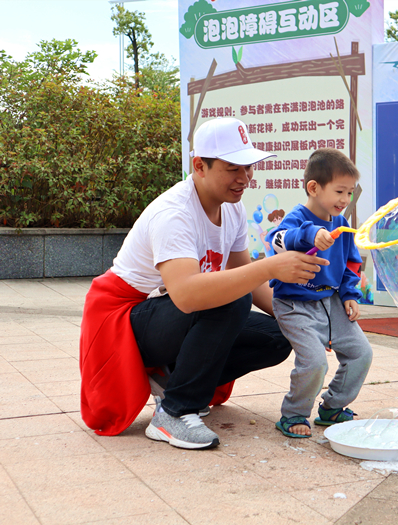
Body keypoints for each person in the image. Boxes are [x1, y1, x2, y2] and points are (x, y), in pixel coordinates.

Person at [79, 117, 329, 449]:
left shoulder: (233, 210)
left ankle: (171, 378)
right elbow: (186, 295)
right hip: (125, 319)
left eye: (249, 168)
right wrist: (271, 266)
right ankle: (174, 411)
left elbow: (250, 282)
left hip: (167, 316)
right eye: (233, 168)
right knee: (229, 298)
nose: (245, 179)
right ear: (199, 166)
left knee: (278, 336)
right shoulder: (174, 214)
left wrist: (307, 323)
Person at [266, 148, 373, 438]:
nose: (345, 200)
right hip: (294, 304)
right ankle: (294, 413)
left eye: (350, 193)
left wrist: (350, 294)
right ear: (313, 187)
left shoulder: (342, 225)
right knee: (314, 362)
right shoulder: (296, 219)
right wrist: (310, 235)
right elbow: (276, 240)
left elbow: (352, 262)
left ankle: (333, 407)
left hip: (333, 301)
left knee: (361, 353)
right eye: (340, 191)